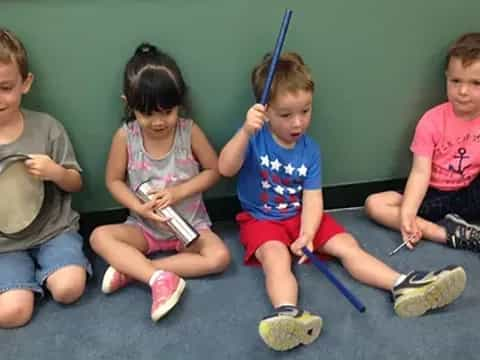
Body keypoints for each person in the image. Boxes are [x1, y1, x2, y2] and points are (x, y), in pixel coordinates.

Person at [218, 52, 466, 351]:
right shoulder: (253, 137)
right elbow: (225, 168)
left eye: (306, 111)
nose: (298, 122)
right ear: (264, 111)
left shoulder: (310, 150)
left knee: (347, 246)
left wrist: (308, 233)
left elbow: (312, 198)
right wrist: (245, 131)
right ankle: (287, 313)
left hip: (301, 215)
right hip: (261, 219)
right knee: (276, 259)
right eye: (286, 115)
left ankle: (402, 284)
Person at [89, 43, 230, 322]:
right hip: (144, 228)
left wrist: (178, 192)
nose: (158, 122)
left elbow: (214, 170)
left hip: (189, 227)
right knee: (98, 237)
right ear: (129, 105)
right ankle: (156, 277)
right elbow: (114, 181)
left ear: (179, 104)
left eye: (166, 112)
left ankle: (137, 270)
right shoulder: (125, 137)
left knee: (220, 257)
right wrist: (139, 208)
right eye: (147, 114)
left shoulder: (188, 131)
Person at [0, 28, 91, 328]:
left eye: (5, 87)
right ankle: (21, 284)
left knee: (69, 288)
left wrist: (55, 171)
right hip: (4, 245)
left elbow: (76, 183)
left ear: (25, 84)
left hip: (54, 229)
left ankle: (48, 274)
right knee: (13, 312)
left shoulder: (46, 127)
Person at [365, 33, 480, 253]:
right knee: (375, 204)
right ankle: (449, 234)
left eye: (476, 83)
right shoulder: (432, 121)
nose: (463, 91)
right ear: (446, 77)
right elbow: (419, 173)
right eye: (456, 81)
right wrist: (408, 215)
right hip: (433, 196)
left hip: (471, 192)